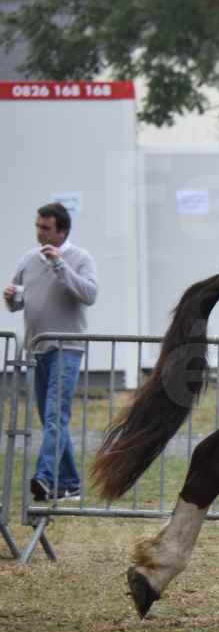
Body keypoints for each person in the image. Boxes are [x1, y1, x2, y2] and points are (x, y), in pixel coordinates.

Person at [4, 202, 98, 502]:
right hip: (37, 348)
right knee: (51, 419)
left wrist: (60, 265)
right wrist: (10, 298)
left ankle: (44, 478)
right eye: (37, 226)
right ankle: (70, 484)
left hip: (66, 348)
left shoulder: (80, 258)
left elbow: (89, 294)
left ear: (62, 231)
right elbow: (20, 300)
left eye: (45, 228)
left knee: (55, 415)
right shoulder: (28, 260)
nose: (39, 233)